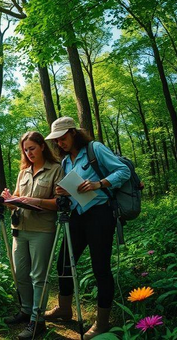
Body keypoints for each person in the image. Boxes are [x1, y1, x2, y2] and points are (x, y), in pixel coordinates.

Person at [42, 116, 130, 339]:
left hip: (101, 214)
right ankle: (63, 308)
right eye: (56, 141)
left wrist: (99, 184)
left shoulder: (95, 148)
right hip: (77, 214)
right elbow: (72, 190)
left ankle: (102, 323)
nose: (60, 143)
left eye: (63, 138)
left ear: (73, 133)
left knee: (101, 268)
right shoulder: (65, 162)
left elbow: (123, 171)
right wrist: (64, 192)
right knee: (64, 262)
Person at [1, 131, 64, 339]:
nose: (28, 153)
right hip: (20, 230)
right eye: (25, 150)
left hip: (42, 230)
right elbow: (18, 200)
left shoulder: (56, 170)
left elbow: (59, 203)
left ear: (42, 147)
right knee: (20, 274)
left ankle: (38, 321)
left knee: (39, 276)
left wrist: (34, 201)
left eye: (32, 148)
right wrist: (10, 199)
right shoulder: (23, 172)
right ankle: (26, 311)